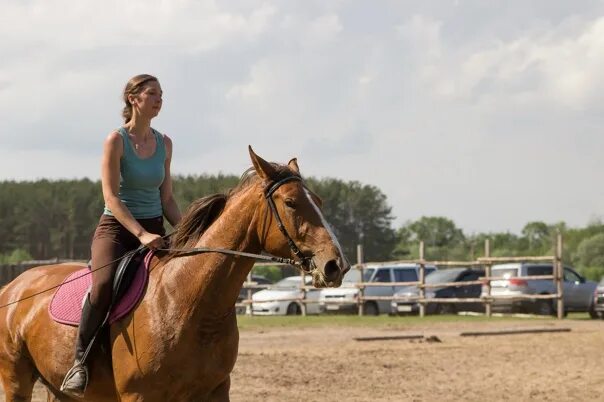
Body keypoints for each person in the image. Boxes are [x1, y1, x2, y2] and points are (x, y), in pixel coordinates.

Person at [60, 74, 182, 397]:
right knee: (101, 287)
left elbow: (166, 198)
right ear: (133, 99)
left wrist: (186, 231)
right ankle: (80, 363)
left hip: (154, 228)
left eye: (162, 94)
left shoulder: (165, 143)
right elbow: (112, 197)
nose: (159, 99)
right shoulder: (116, 141)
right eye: (152, 93)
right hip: (116, 229)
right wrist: (141, 234)